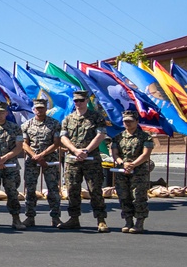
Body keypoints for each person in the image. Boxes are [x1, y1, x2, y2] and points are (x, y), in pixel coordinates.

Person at [59, 90, 109, 232]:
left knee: (95, 190)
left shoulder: (96, 117)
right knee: (72, 190)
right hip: (73, 160)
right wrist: (75, 150)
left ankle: (101, 220)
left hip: (91, 159)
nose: (78, 103)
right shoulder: (68, 119)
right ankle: (74, 219)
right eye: (76, 101)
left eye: (81, 100)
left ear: (87, 101)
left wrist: (86, 150)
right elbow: (63, 137)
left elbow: (101, 135)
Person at [21, 98, 62, 227]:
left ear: (46, 109)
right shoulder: (26, 125)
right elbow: (24, 143)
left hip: (49, 160)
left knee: (53, 190)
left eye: (42, 108)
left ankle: (55, 218)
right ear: (33, 109)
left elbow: (56, 143)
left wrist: (42, 155)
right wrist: (35, 156)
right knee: (30, 190)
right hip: (32, 160)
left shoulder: (54, 124)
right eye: (37, 108)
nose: (39, 110)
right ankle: (30, 217)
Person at [111, 110, 154, 234]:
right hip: (122, 171)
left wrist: (133, 164)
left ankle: (139, 223)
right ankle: (128, 221)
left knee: (138, 197)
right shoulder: (118, 137)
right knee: (124, 197)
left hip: (139, 172)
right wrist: (122, 163)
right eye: (125, 121)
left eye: (130, 121)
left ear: (137, 121)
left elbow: (146, 154)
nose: (127, 123)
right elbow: (115, 154)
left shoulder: (145, 137)